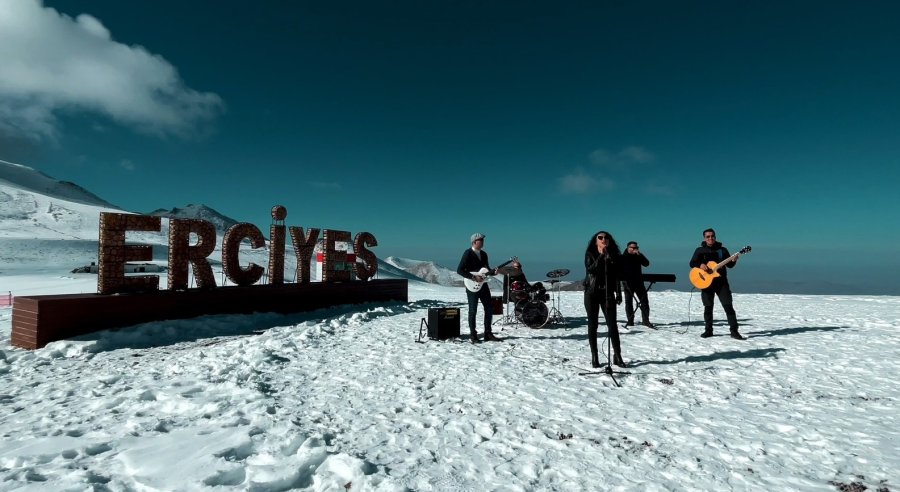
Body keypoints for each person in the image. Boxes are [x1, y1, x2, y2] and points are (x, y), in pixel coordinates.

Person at [689, 228, 745, 340]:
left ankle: (734, 331)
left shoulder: (722, 250)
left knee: (728, 306)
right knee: (708, 307)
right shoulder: (699, 250)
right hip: (706, 283)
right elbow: (692, 263)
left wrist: (734, 260)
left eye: (712, 236)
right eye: (708, 236)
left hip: (721, 283)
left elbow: (729, 266)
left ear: (715, 236)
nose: (710, 238)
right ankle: (708, 331)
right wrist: (700, 265)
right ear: (704, 238)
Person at [583, 230, 625, 368]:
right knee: (593, 324)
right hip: (592, 293)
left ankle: (617, 355)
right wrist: (601, 257)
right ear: (596, 241)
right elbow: (591, 270)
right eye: (600, 237)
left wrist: (618, 293)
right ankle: (594, 356)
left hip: (607, 293)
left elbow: (617, 276)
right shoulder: (590, 254)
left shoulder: (615, 256)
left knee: (612, 325)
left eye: (606, 238)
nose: (603, 239)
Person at [456, 233, 502, 343]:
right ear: (474, 242)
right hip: (471, 286)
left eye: (482, 239)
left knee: (489, 308)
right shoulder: (467, 253)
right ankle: (473, 335)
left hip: (483, 285)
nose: (482, 241)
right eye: (480, 240)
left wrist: (493, 273)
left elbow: (486, 270)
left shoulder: (484, 254)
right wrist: (473, 277)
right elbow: (460, 270)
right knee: (473, 310)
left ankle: (488, 333)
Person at [621, 241, 654, 328]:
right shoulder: (622, 257)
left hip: (639, 282)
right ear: (628, 248)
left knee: (644, 301)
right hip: (627, 283)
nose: (635, 249)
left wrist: (640, 255)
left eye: (637, 248)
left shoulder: (638, 256)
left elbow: (646, 264)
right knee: (629, 303)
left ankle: (646, 321)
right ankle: (630, 321)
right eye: (633, 248)